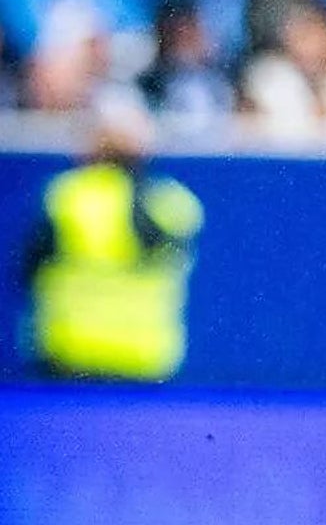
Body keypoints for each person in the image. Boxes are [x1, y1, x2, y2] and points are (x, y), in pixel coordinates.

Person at [21, 95, 203, 381]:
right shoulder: (175, 203)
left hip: (71, 358)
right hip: (146, 361)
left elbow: (27, 271)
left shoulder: (68, 197)